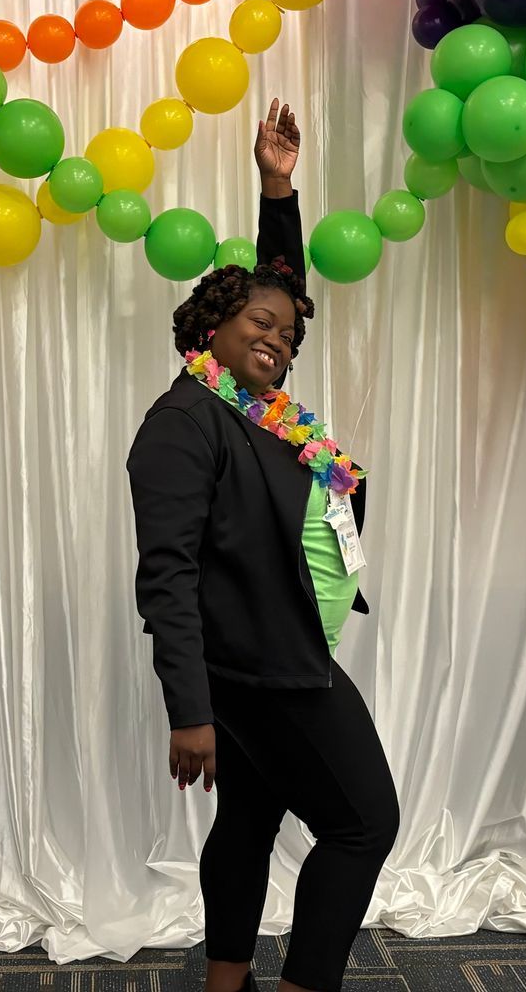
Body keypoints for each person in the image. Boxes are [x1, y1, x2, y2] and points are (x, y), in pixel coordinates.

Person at [125, 100, 400, 992]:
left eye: (286, 332)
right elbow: (166, 576)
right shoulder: (184, 424)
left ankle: (226, 984)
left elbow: (281, 284)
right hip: (263, 668)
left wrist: (277, 189)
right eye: (258, 324)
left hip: (274, 649)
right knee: (363, 824)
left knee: (248, 821)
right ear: (212, 327)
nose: (276, 338)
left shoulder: (260, 412)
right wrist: (189, 711)